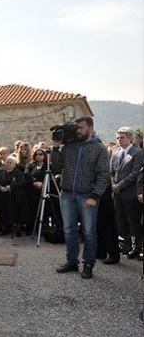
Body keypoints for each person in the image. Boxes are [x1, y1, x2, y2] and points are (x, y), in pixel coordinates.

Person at [51, 116, 110, 279]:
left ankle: (88, 265)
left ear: (90, 128)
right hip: (67, 194)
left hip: (87, 196)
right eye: (75, 128)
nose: (77, 131)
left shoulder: (99, 148)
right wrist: (56, 147)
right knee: (69, 230)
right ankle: (71, 262)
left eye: (81, 128)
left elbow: (104, 175)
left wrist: (95, 195)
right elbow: (56, 166)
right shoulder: (70, 146)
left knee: (89, 232)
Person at [110, 127, 143, 261]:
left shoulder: (138, 153)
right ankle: (126, 245)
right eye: (117, 138)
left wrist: (120, 185)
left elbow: (135, 173)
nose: (119, 140)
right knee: (121, 220)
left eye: (122, 137)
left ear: (130, 138)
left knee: (133, 221)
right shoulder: (115, 151)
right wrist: (113, 184)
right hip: (117, 193)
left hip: (130, 193)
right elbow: (111, 170)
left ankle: (138, 247)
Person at [0, 156, 28, 237]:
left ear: (14, 164)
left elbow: (22, 183)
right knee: (4, 213)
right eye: (7, 162)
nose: (8, 164)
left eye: (10, 162)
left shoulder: (18, 173)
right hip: (4, 196)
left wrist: (10, 187)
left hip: (16, 196)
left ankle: (17, 229)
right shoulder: (1, 172)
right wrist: (0, 187)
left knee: (16, 213)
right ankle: (6, 228)